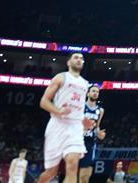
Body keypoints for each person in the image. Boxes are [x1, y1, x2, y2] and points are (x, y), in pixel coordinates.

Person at [37, 52, 90, 183]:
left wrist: (83, 120)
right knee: (51, 172)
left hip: (75, 127)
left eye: (81, 58)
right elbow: (44, 101)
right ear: (68, 62)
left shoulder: (85, 83)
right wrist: (58, 111)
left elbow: (78, 106)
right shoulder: (60, 78)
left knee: (72, 164)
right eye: (76, 58)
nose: (79, 60)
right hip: (57, 125)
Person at [80, 85, 106, 183]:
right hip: (77, 141)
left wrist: (99, 133)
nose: (95, 93)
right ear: (88, 93)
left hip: (90, 143)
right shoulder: (80, 106)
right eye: (93, 91)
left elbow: (97, 126)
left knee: (84, 178)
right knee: (72, 174)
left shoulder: (100, 110)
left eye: (97, 92)